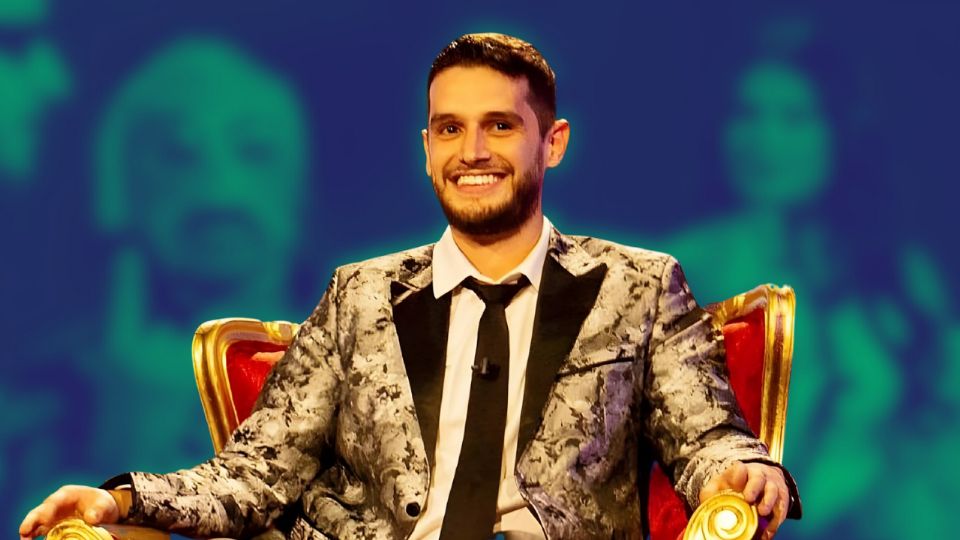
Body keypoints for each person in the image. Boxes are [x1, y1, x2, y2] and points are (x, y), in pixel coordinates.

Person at [20, 33, 800, 540]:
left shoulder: (640, 284)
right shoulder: (356, 294)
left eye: (500, 125)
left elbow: (706, 437)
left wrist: (743, 470)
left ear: (552, 142)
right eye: (450, 129)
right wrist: (119, 499)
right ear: (427, 150)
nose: (473, 151)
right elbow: (253, 475)